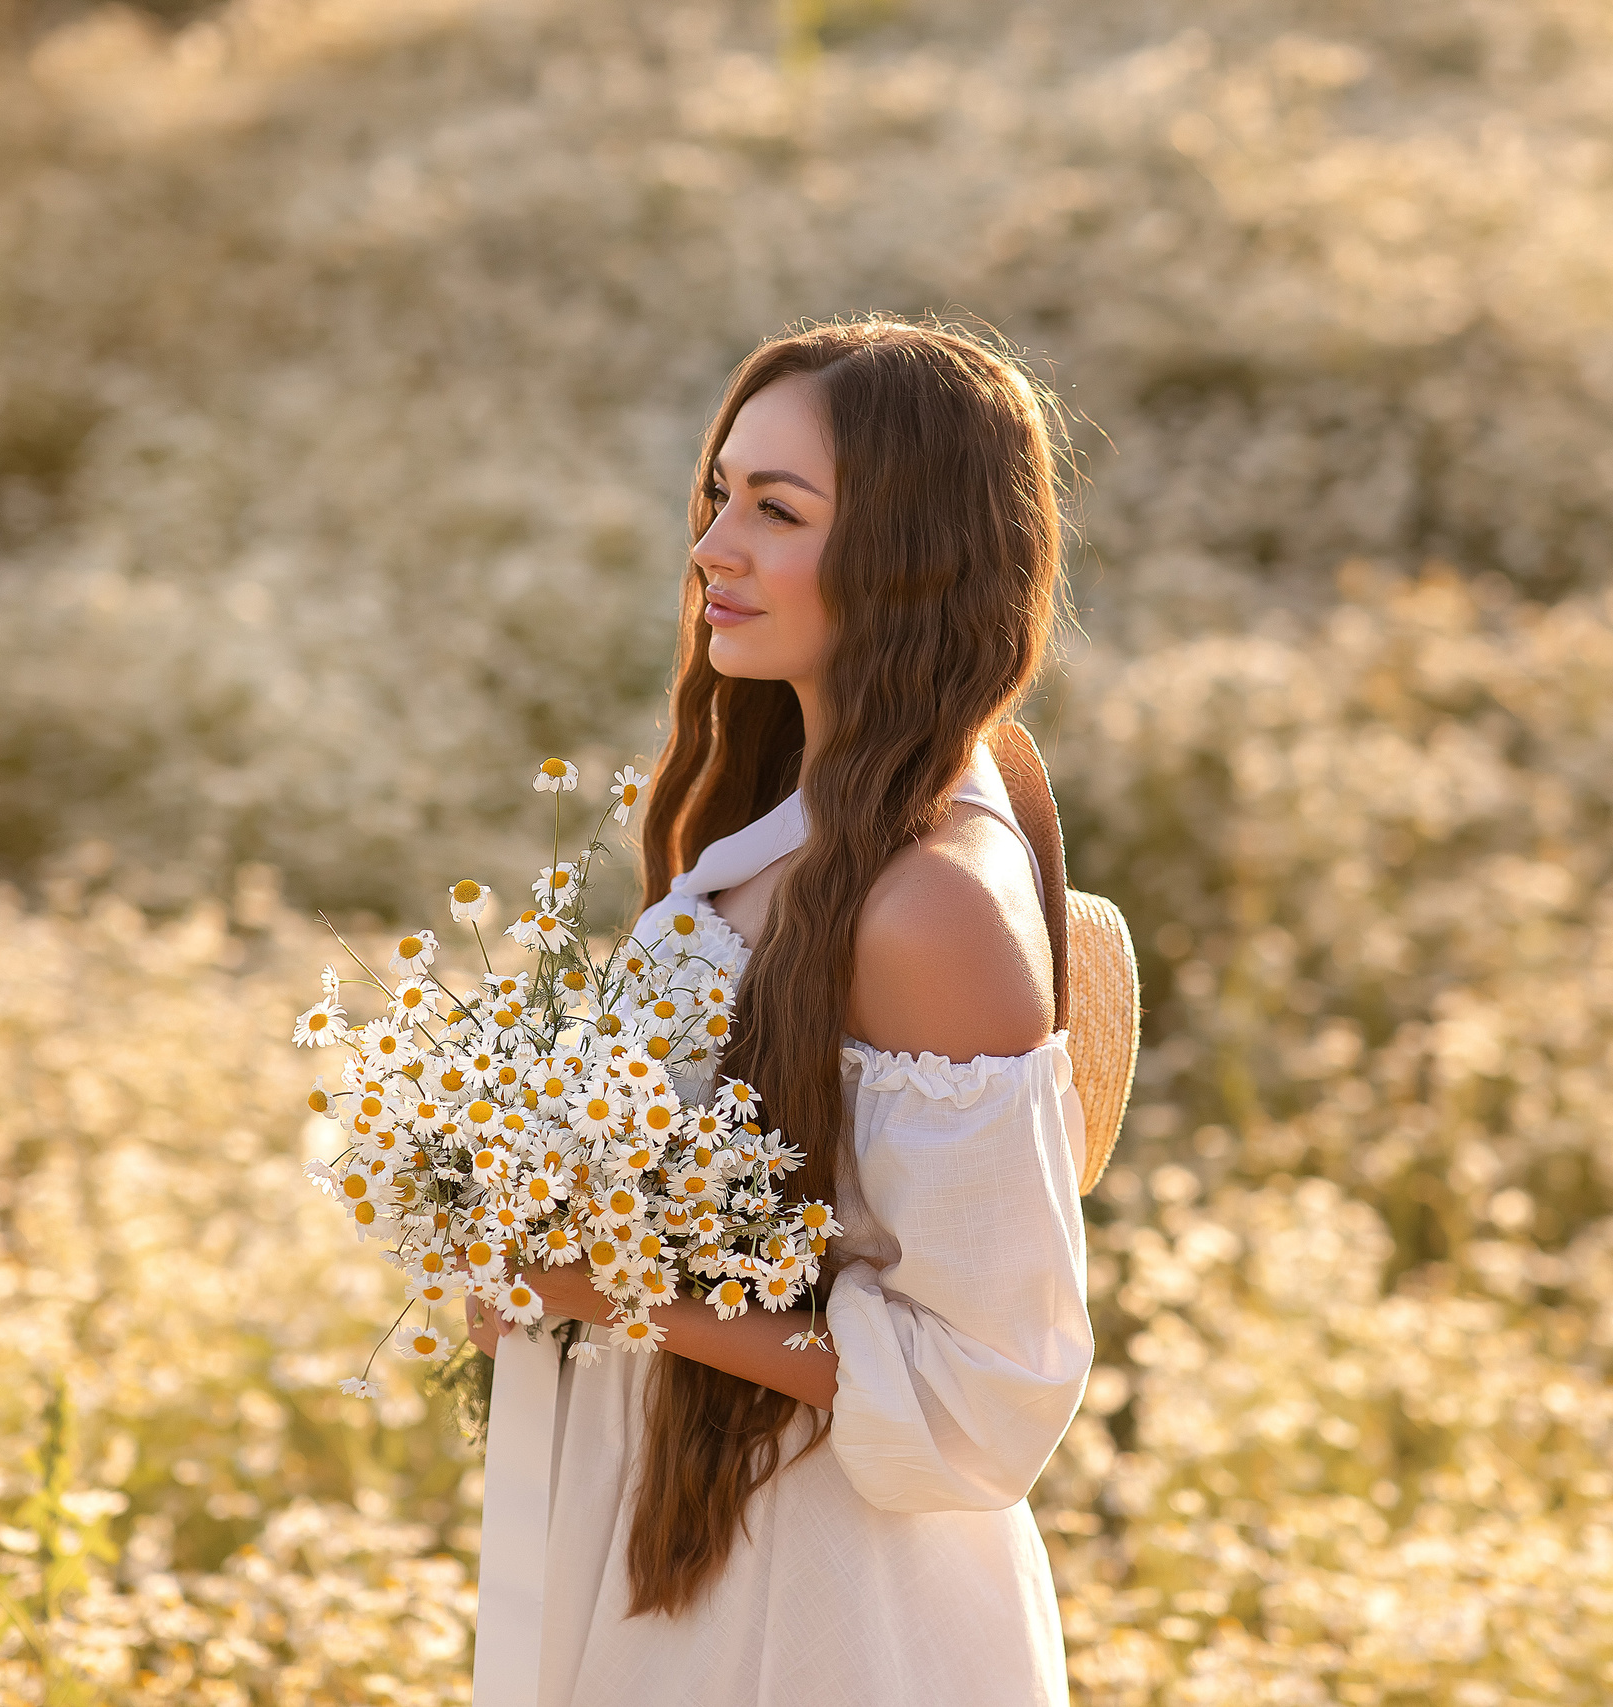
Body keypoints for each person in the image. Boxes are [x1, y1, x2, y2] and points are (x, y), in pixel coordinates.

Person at [464, 316, 1092, 1707]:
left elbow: (992, 1390)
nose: (712, 549)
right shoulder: (783, 822)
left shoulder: (928, 899)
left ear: (909, 553)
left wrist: (617, 1289)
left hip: (829, 1605)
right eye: (718, 495)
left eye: (777, 510)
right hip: (696, 1537)